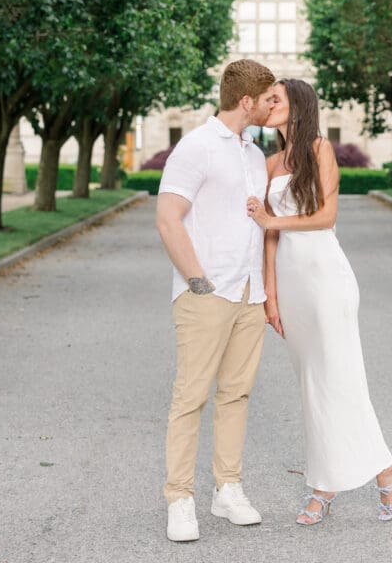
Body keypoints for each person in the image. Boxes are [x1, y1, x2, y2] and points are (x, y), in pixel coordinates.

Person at [247, 78, 392, 525]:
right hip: (291, 286)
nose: (270, 104)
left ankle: (346, 479)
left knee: (339, 381)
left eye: (276, 98)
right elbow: (269, 236)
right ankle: (343, 477)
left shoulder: (319, 149)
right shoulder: (270, 161)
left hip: (326, 278)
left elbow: (325, 216)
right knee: (312, 386)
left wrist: (271, 219)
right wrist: (270, 294)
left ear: (298, 104)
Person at [156, 59, 276, 542]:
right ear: (247, 101)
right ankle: (179, 498)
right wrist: (197, 281)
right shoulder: (196, 147)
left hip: (249, 292)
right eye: (269, 98)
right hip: (207, 292)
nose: (274, 105)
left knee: (237, 394)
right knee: (191, 398)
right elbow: (168, 218)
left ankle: (227, 489)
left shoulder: (252, 152)